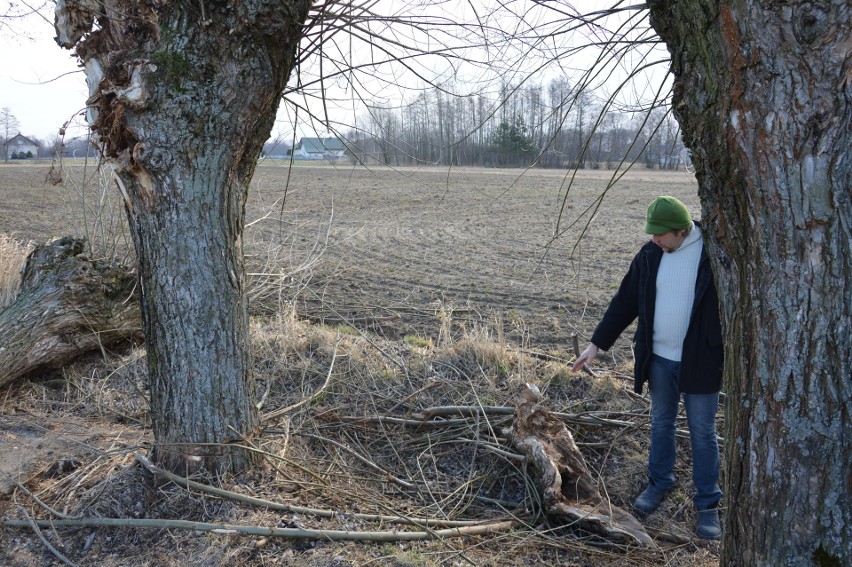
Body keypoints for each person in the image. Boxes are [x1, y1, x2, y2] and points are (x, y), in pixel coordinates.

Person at [572, 195, 723, 540]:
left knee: (702, 432)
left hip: (702, 359)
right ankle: (659, 482)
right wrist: (596, 345)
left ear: (680, 230)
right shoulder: (651, 254)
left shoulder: (712, 254)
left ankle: (707, 503)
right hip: (658, 358)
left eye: (660, 234)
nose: (653, 239)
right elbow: (624, 300)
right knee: (661, 422)